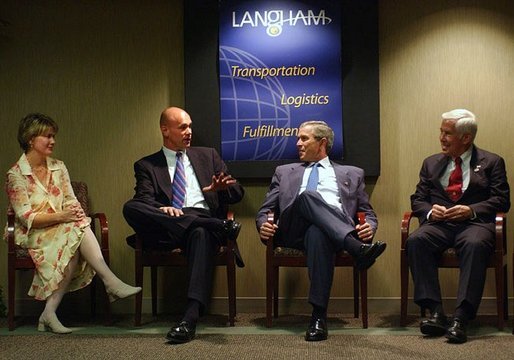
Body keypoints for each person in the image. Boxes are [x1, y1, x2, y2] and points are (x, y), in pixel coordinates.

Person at [6, 113, 141, 334]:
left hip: (63, 227)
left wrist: (75, 211)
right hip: (33, 232)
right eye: (47, 136)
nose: (53, 141)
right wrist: (64, 216)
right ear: (31, 139)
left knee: (76, 229)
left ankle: (49, 313)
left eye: (53, 136)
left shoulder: (59, 166)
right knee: (76, 230)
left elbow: (70, 199)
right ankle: (110, 282)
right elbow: (26, 217)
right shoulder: (16, 175)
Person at [123, 106, 244, 344]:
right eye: (183, 127)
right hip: (167, 227)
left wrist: (223, 189)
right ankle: (215, 224)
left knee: (199, 231)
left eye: (190, 126)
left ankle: (188, 320)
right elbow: (144, 199)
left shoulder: (208, 155)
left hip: (198, 227)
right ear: (165, 130)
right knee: (130, 206)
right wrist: (161, 209)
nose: (189, 131)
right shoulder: (147, 165)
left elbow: (237, 192)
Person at [256, 120, 386, 342]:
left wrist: (369, 226)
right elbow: (265, 209)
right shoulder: (284, 172)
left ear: (322, 142)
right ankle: (356, 248)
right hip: (292, 230)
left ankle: (318, 317)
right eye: (298, 138)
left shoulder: (352, 174)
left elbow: (368, 212)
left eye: (304, 138)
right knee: (308, 196)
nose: (298, 143)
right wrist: (262, 224)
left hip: (331, 233)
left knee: (318, 232)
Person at [406, 109, 510, 344]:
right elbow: (418, 199)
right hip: (440, 224)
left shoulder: (492, 162)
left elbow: (502, 200)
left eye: (447, 133)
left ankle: (461, 317)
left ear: (466, 138)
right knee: (416, 240)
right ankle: (435, 312)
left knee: (475, 244)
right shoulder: (431, 163)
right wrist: (432, 211)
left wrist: (471, 210)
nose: (441, 138)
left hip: (474, 224)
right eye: (441, 132)